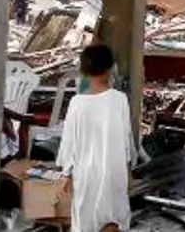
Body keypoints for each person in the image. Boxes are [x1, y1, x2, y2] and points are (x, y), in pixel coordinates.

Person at [57, 44, 134, 232]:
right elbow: (127, 138)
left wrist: (66, 173)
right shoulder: (120, 99)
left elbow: (69, 142)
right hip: (113, 172)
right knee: (113, 219)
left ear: (83, 72)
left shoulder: (77, 103)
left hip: (86, 174)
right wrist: (128, 166)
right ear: (111, 69)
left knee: (85, 220)